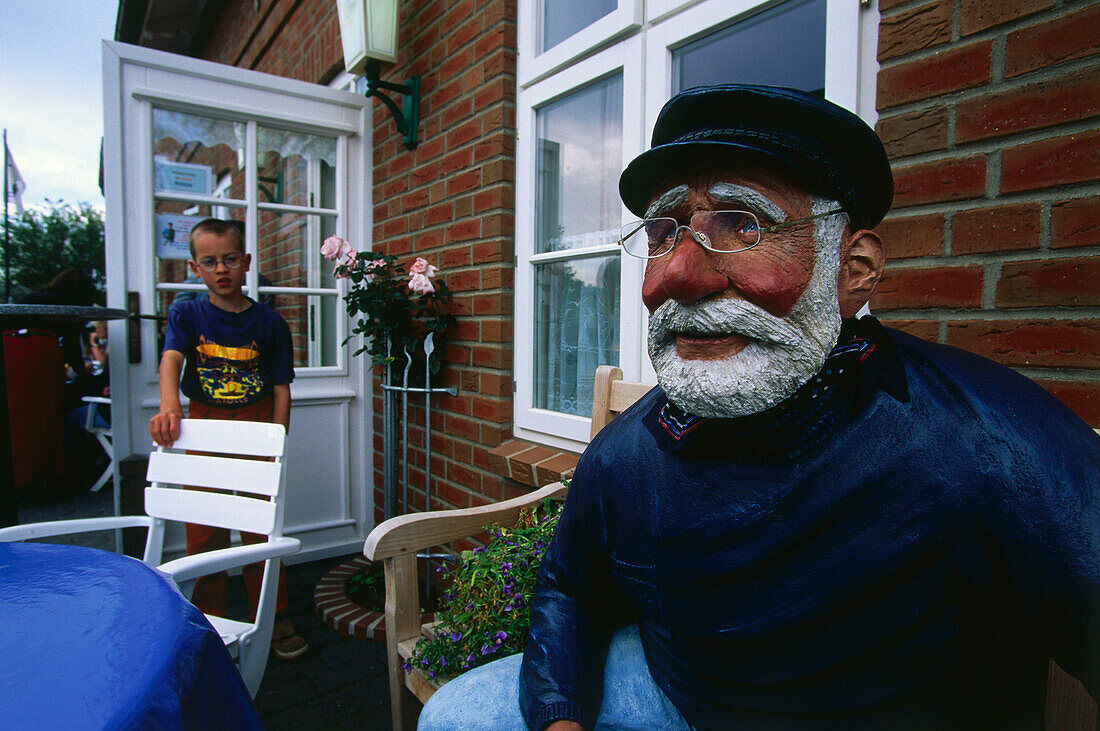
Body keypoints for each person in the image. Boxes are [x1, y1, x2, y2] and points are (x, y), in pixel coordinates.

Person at [419, 85, 1099, 729]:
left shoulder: (985, 445)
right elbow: (570, 590)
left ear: (853, 269)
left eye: (743, 224)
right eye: (663, 233)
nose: (679, 275)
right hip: (677, 693)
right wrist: (559, 712)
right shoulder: (628, 451)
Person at [149, 217, 308, 661]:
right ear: (195, 267)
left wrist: (276, 445)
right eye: (210, 261)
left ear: (247, 263)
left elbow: (280, 389)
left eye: (230, 259)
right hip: (203, 424)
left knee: (259, 529)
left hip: (257, 424)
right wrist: (169, 407)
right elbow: (171, 360)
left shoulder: (270, 322)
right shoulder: (187, 312)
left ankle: (273, 617)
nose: (221, 269)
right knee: (204, 528)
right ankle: (207, 620)